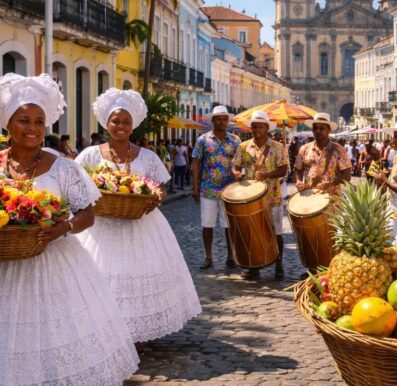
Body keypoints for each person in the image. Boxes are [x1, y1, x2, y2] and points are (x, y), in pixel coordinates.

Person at [0, 74, 139, 383]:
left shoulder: (64, 167)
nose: (32, 127)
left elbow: (88, 213)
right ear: (7, 124)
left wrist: (66, 227)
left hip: (51, 262)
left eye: (39, 121)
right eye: (23, 120)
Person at [74, 89, 201, 347]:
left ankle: (135, 333)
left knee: (134, 277)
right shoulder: (90, 155)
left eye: (125, 122)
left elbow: (162, 188)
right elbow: (76, 186)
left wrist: (155, 198)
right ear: (106, 124)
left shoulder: (147, 156)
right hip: (101, 228)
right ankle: (104, 330)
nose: (120, 126)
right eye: (115, 121)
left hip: (141, 227)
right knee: (101, 277)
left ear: (133, 126)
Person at [232, 111, 289, 280]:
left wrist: (266, 175)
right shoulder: (243, 147)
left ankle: (279, 264)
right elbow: (235, 166)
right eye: (254, 126)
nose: (257, 129)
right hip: (249, 198)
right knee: (251, 232)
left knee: (276, 231)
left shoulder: (277, 147)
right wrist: (236, 173)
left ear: (267, 128)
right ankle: (253, 266)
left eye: (261, 126)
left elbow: (284, 170)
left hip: (272, 196)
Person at [192, 105, 240, 270]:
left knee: (229, 225)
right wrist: (195, 187)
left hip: (229, 190)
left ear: (228, 121)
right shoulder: (203, 140)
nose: (222, 121)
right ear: (213, 121)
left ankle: (231, 255)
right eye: (218, 118)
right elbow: (196, 163)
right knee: (207, 224)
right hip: (208, 189)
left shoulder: (235, 140)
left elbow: (240, 163)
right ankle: (208, 256)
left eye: (225, 118)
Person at [294, 113, 352, 197]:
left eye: (322, 128)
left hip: (331, 199)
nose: (318, 131)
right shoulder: (304, 149)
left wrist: (331, 183)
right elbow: (298, 170)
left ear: (329, 130)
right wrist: (298, 181)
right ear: (312, 130)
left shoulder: (339, 150)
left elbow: (347, 176)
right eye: (315, 128)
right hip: (309, 196)